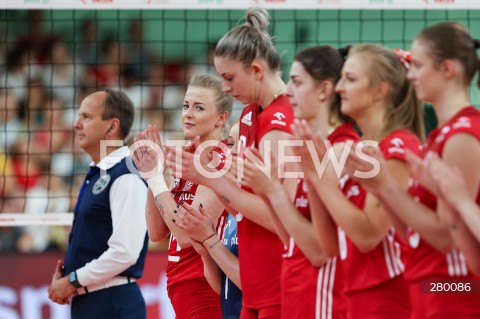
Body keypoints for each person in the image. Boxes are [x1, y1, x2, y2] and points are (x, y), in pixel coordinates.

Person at [165, 7, 296, 319]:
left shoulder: (280, 125)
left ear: (256, 70)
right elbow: (243, 208)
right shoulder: (249, 116)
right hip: (248, 280)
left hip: (278, 281)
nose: (224, 88)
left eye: (229, 78)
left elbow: (282, 219)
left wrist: (209, 179)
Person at [345, 22, 480, 319]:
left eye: (418, 65)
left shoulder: (463, 135)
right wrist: (379, 187)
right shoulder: (439, 137)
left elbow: (446, 237)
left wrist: (386, 187)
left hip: (454, 289)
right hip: (429, 285)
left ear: (448, 69)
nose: (410, 74)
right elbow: (414, 235)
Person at [293, 44, 425, 318]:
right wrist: (313, 172)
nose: (339, 87)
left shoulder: (398, 147)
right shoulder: (361, 149)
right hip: (354, 299)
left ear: (380, 90)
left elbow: (367, 236)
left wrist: (321, 178)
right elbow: (329, 245)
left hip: (390, 300)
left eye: (350, 79)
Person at [239, 46, 357, 319]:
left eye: (297, 81)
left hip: (323, 294)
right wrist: (265, 191)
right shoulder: (306, 147)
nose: (288, 90)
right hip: (296, 289)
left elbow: (318, 251)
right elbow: (291, 239)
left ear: (324, 90)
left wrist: (271, 190)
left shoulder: (341, 148)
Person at [133, 73, 232, 319]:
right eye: (186, 105)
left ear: (221, 118)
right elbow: (157, 232)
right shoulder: (185, 157)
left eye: (199, 107)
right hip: (181, 289)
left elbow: (187, 236)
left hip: (206, 288)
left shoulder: (221, 158)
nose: (188, 113)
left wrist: (157, 179)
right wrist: (154, 174)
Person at [47, 89, 149, 319]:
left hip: (113, 302)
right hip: (91, 301)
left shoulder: (126, 175)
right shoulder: (99, 173)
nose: (76, 124)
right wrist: (69, 278)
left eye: (86, 117)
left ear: (112, 127)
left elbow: (125, 252)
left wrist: (73, 280)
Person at [175, 122, 243, 319]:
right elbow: (223, 286)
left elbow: (253, 284)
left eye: (243, 142)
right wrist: (205, 247)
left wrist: (209, 241)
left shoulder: (259, 207)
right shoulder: (233, 207)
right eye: (230, 144)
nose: (235, 151)